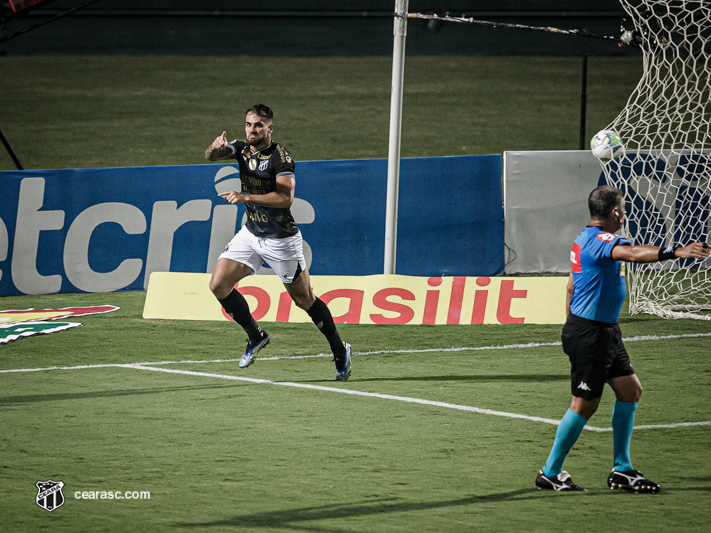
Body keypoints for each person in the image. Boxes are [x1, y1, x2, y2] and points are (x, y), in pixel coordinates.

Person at [536, 185, 710, 492]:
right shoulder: (603, 241)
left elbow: (570, 288)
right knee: (584, 404)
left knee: (630, 390)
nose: (625, 215)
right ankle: (550, 471)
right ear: (615, 212)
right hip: (591, 334)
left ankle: (622, 469)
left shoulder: (581, 239)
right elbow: (630, 253)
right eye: (624, 209)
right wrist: (675, 252)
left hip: (602, 332)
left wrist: (569, 327)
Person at [204, 104, 352, 381]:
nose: (252, 130)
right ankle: (255, 336)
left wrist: (246, 197)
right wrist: (214, 148)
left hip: (281, 240)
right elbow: (211, 157)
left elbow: (285, 198)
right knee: (218, 284)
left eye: (258, 125)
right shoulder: (241, 148)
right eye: (248, 124)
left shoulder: (281, 159)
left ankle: (339, 349)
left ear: (270, 128)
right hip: (251, 234)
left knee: (304, 299)